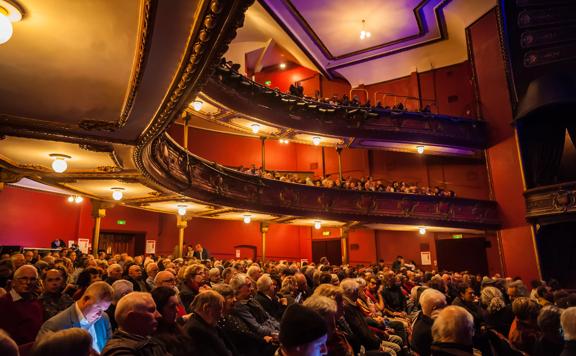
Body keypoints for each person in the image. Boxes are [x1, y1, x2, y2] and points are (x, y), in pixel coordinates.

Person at [37, 281, 114, 353]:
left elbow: (109, 348)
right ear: (86, 300)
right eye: (98, 308)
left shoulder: (104, 318)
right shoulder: (55, 326)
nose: (100, 314)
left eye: (104, 310)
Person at [102, 292, 168, 356]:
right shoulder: (119, 351)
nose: (159, 315)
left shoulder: (150, 341)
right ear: (132, 317)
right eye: (151, 310)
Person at [0, 265, 44, 345]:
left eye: (33, 279)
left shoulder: (36, 301)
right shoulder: (4, 303)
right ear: (13, 282)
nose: (28, 282)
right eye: (24, 278)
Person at [184, 290, 235, 355]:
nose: (221, 315)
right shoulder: (195, 330)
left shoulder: (206, 324)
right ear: (207, 308)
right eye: (219, 309)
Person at [412, 288, 447, 356]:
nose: (446, 308)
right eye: (444, 306)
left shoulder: (420, 317)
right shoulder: (431, 330)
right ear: (435, 308)